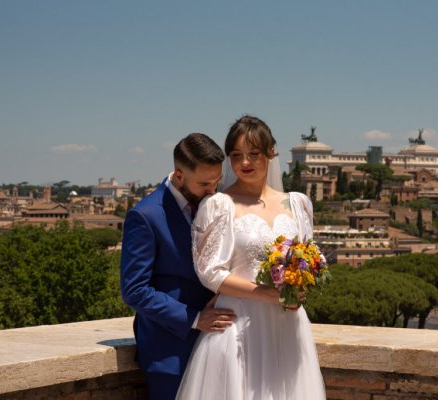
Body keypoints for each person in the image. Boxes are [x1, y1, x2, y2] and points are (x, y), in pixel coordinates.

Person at [176, 116, 326, 399]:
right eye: (236, 156)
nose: (245, 162)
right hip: (236, 325)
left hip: (288, 325)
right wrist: (269, 295)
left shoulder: (299, 203)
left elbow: (308, 259)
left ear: (271, 153)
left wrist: (299, 290)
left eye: (254, 154)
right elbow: (211, 273)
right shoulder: (219, 205)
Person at [120, 133, 236, 400]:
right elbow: (134, 290)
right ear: (179, 176)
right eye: (205, 184)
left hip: (218, 347)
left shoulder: (214, 202)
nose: (213, 191)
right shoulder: (145, 215)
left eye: (216, 181)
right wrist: (196, 318)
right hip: (170, 352)